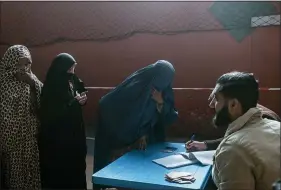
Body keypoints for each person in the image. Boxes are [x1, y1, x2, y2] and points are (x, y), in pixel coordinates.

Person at [93, 60, 178, 188]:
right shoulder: (136, 86)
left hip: (147, 143)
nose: (163, 83)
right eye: (162, 78)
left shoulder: (163, 90)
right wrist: (138, 133)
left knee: (144, 177)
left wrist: (160, 102)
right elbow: (108, 104)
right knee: (123, 176)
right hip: (123, 142)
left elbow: (170, 117)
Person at [202, 71, 280, 190]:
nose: (212, 105)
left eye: (217, 99)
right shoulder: (276, 125)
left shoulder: (233, 150)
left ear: (233, 105)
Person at [39, 53, 88, 189]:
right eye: (69, 69)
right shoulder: (51, 88)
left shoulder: (73, 80)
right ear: (61, 69)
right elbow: (51, 113)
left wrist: (83, 100)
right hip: (58, 141)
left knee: (76, 169)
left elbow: (81, 91)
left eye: (74, 68)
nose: (72, 72)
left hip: (74, 136)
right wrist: (73, 102)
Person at [0, 45, 42, 189]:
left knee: (32, 173)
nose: (23, 68)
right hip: (12, 142)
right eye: (19, 64)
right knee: (14, 177)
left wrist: (32, 83)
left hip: (30, 138)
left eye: (27, 64)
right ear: (10, 63)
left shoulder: (33, 80)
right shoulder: (3, 83)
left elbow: (45, 103)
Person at [186, 103, 280, 151]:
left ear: (233, 102)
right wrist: (205, 144)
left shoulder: (264, 119)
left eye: (217, 99)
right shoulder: (246, 113)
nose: (211, 104)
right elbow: (235, 137)